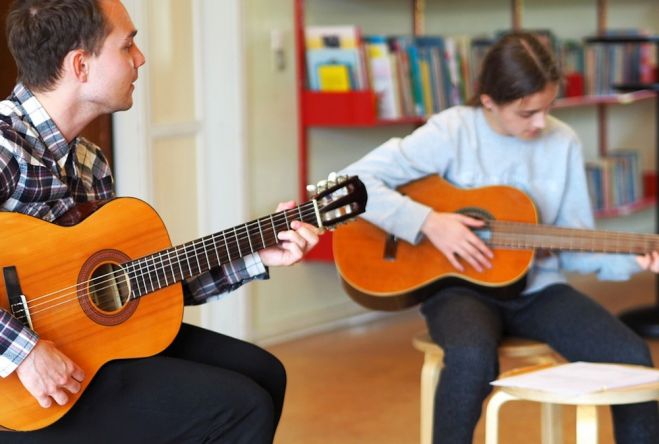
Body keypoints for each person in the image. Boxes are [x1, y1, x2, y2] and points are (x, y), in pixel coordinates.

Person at [0, 0, 319, 442]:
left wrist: (252, 254)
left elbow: (137, 294)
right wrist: (25, 351)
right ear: (81, 65)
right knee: (240, 407)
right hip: (19, 389)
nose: (141, 58)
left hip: (81, 354)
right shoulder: (4, 148)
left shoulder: (90, 164)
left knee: (265, 374)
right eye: (128, 45)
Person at [342, 32, 659, 443]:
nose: (541, 123)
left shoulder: (562, 141)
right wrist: (427, 222)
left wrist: (635, 258)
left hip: (537, 289)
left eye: (548, 108)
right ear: (489, 101)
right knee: (471, 355)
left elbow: (575, 246)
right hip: (458, 291)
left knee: (631, 357)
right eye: (527, 113)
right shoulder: (452, 130)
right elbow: (353, 182)